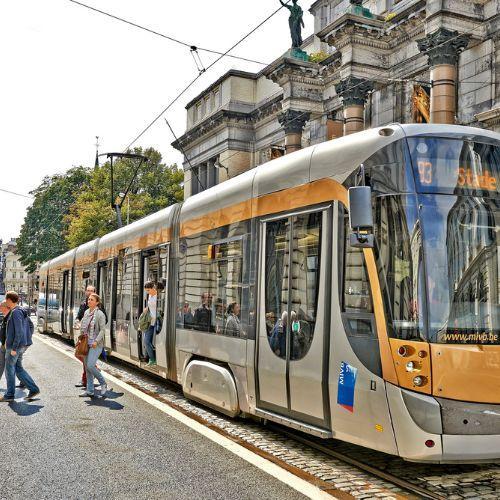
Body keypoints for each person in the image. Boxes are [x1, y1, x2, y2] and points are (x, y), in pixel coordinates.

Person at [0, 291, 39, 402]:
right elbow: (30, 327)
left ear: (8, 300)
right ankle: (34, 389)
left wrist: (14, 348)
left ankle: (9, 395)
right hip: (20, 346)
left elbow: (19, 331)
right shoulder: (20, 311)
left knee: (9, 370)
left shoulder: (16, 312)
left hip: (14, 347)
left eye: (6, 300)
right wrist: (26, 342)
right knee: (18, 369)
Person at [79, 293, 107, 398]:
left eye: (92, 299)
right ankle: (90, 390)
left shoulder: (100, 314)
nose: (89, 301)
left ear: (97, 302)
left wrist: (96, 341)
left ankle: (103, 383)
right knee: (87, 368)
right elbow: (83, 326)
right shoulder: (86, 312)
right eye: (89, 299)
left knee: (91, 365)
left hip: (96, 344)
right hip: (86, 343)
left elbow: (103, 330)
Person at [143, 281, 162, 367]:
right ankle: (151, 359)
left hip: (157, 321)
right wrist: (147, 308)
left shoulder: (158, 296)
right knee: (146, 341)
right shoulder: (150, 295)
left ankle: (153, 359)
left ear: (153, 288)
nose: (147, 292)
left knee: (149, 341)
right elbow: (151, 306)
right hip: (150, 321)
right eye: (146, 290)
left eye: (148, 290)